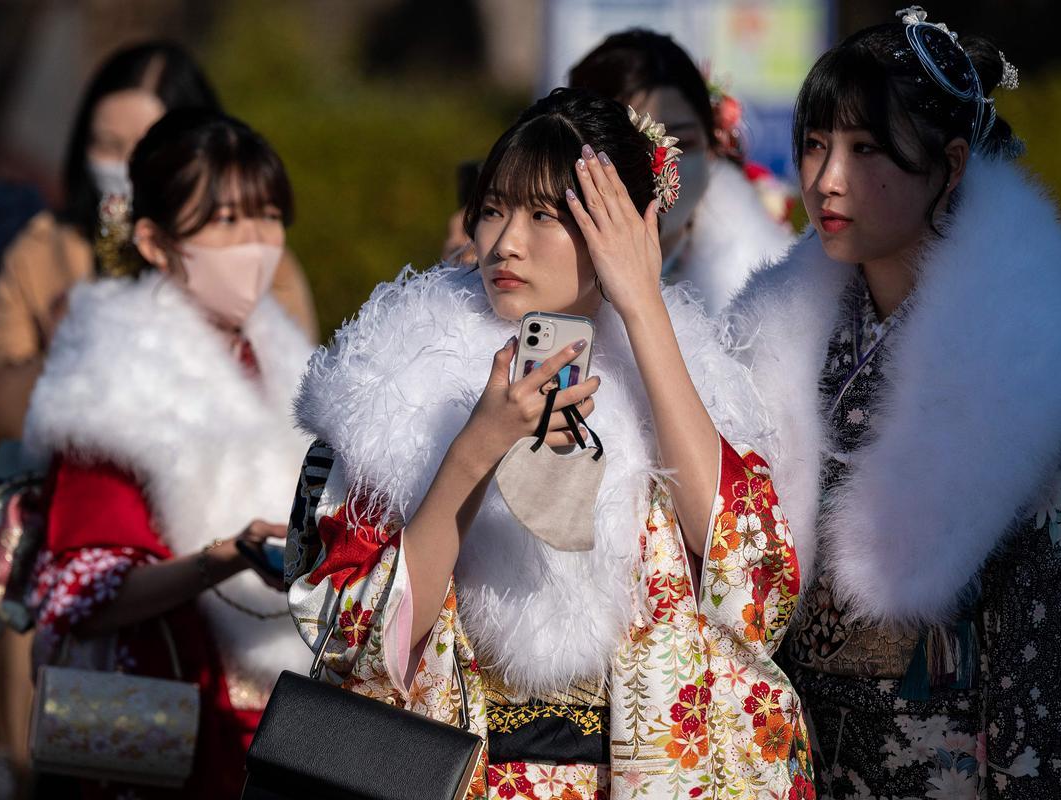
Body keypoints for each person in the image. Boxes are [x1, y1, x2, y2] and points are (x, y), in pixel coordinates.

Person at [288, 88, 815, 799]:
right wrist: (475, 447)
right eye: (494, 208)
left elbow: (753, 585)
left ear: (621, 227)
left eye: (544, 214)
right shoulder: (395, 380)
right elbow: (352, 637)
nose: (505, 241)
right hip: (467, 776)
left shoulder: (689, 380)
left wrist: (643, 306)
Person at [727, 7, 1061, 798]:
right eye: (814, 144)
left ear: (950, 163)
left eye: (865, 149)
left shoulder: (1027, 369)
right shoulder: (780, 334)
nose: (826, 179)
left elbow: (1053, 685)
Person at [23, 109, 315, 798]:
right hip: (163, 724)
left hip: (275, 724)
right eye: (225, 223)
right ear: (154, 241)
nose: (255, 243)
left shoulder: (288, 360)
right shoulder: (115, 378)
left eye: (268, 216)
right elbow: (83, 589)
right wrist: (222, 559)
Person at [0, 41, 318, 445]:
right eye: (108, 145)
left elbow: (297, 411)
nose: (127, 165)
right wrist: (69, 352)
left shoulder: (257, 260)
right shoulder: (41, 252)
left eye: (148, 143)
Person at [568, 28, 795, 314]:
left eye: (683, 143)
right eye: (634, 143)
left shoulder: (762, 293)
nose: (660, 167)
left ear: (713, 146)